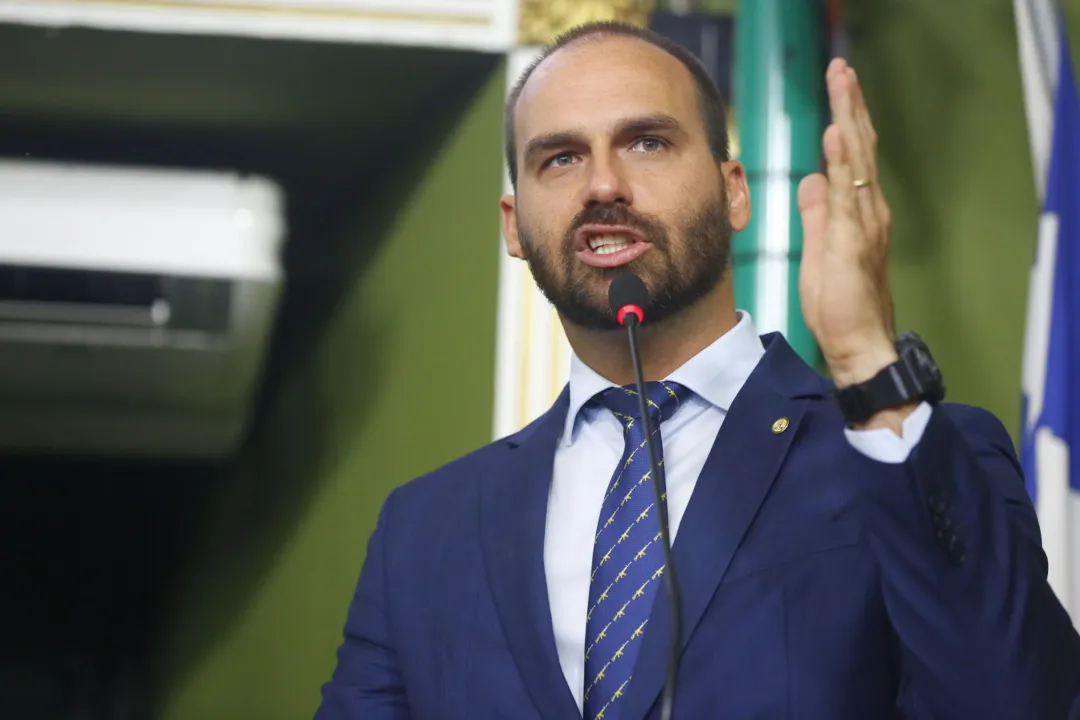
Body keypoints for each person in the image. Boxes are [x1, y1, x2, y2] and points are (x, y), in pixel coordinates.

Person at [313, 21, 1080, 720]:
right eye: (561, 158)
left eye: (647, 142)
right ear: (515, 227)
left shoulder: (902, 454)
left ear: (734, 190)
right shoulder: (422, 531)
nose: (603, 185)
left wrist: (866, 365)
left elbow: (1015, 701)